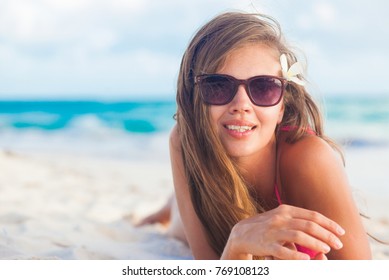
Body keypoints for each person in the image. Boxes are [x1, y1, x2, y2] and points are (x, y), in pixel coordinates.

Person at [137, 11, 371, 260]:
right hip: (206, 193)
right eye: (218, 86)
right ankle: (170, 205)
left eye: (264, 87)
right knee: (176, 227)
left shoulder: (309, 158)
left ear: (281, 107)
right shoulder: (185, 141)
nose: (242, 104)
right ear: (194, 100)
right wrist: (237, 243)